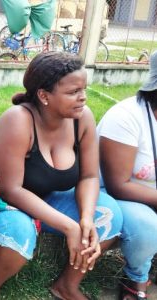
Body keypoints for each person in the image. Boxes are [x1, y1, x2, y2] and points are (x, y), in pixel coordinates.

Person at [0, 51, 123, 300]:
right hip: (0, 201)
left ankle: (67, 285)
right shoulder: (18, 121)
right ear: (44, 96)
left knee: (108, 215)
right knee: (19, 232)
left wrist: (85, 219)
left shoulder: (82, 119)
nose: (83, 97)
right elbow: (12, 189)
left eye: (84, 89)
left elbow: (89, 176)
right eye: (72, 92)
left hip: (47, 199)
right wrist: (69, 226)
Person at [97, 51, 157, 300]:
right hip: (112, 193)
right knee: (147, 225)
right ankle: (136, 279)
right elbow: (117, 185)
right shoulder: (126, 117)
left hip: (149, 191)